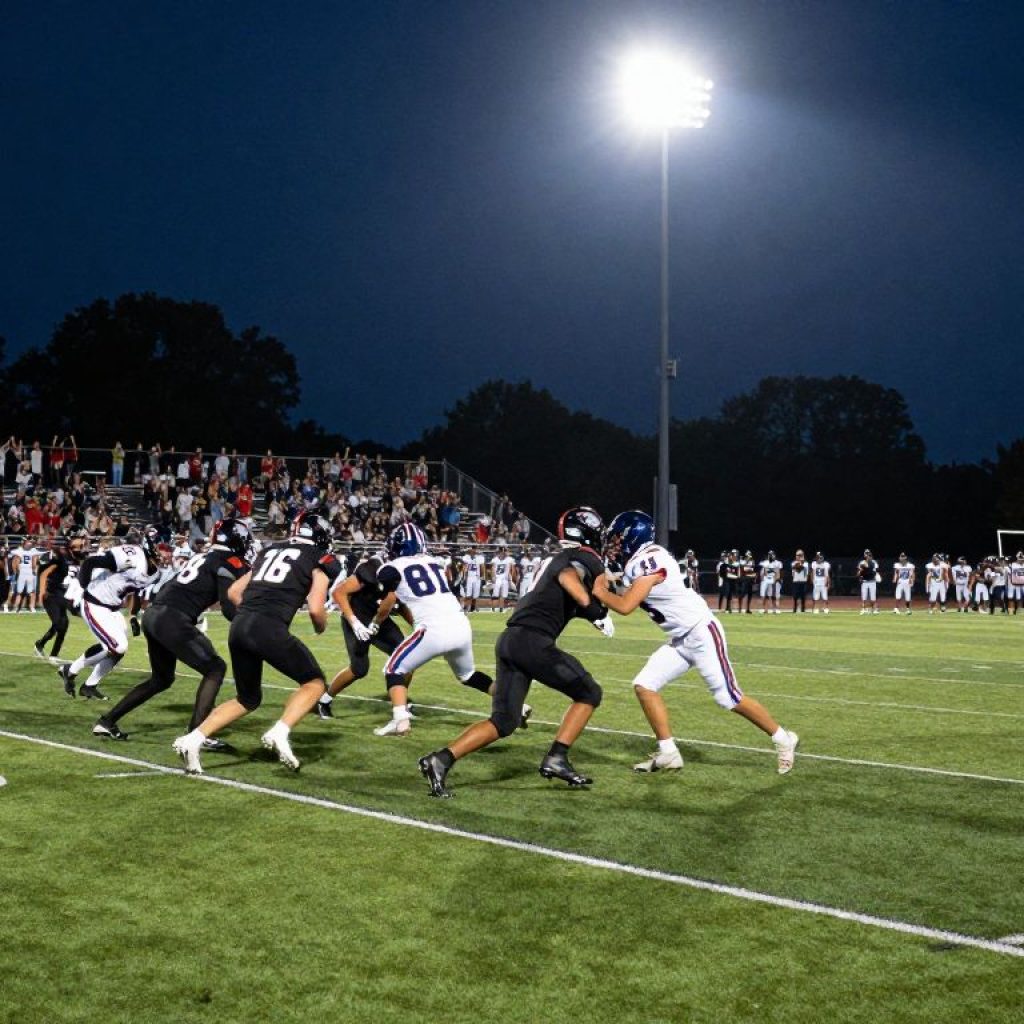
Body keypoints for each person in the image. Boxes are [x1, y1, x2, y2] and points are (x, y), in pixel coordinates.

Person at [419, 507, 611, 798]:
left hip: (510, 640)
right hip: (532, 642)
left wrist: (590, 613)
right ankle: (557, 757)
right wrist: (593, 608)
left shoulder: (557, 557)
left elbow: (557, 595)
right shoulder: (579, 558)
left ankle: (440, 760)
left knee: (504, 722)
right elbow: (567, 576)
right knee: (589, 693)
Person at [595, 511, 799, 775]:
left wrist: (598, 590)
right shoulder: (641, 561)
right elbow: (629, 583)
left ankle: (784, 739)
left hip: (701, 633)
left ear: (634, 536)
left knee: (728, 697)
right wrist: (610, 580)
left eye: (618, 539)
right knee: (645, 685)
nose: (614, 545)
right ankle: (669, 753)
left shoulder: (649, 559)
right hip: (681, 638)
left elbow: (626, 605)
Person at [172, 511, 340, 774]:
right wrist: (320, 626)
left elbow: (234, 592)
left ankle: (193, 739)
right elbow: (317, 608)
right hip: (267, 626)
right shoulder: (321, 559)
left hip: (240, 626)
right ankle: (280, 731)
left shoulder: (269, 551)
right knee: (314, 683)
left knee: (247, 698)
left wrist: (252, 615)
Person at [91, 519, 255, 742]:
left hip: (155, 613)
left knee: (161, 679)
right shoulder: (230, 561)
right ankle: (197, 734)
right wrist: (252, 628)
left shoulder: (202, 556)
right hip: (173, 618)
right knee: (215, 668)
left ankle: (106, 722)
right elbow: (228, 608)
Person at [368, 523, 502, 738]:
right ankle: (515, 705)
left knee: (393, 669)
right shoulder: (435, 563)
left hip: (433, 629)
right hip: (460, 624)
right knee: (468, 674)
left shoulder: (390, 569)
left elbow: (388, 595)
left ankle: (400, 720)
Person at [57, 529, 162, 700]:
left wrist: (133, 614)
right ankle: (71, 670)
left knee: (118, 650)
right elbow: (90, 562)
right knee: (116, 646)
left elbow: (135, 588)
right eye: (156, 547)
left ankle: (90, 685)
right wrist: (80, 588)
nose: (159, 552)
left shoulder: (155, 573)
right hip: (94, 603)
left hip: (113, 609)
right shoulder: (131, 556)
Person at [315, 548, 412, 720]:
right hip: (357, 616)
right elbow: (339, 592)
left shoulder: (405, 572)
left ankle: (400, 704)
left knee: (406, 658)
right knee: (359, 669)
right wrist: (354, 622)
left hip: (379, 618)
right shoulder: (373, 567)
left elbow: (399, 604)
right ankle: (323, 701)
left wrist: (418, 625)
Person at [33, 532, 89, 660]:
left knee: (61, 625)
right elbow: (43, 574)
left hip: (64, 595)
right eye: (78, 541)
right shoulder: (60, 556)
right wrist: (41, 594)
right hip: (51, 595)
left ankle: (46, 649)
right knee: (60, 624)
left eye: (81, 542)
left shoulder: (79, 557)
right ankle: (45, 649)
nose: (81, 544)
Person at [7, 535, 40, 614]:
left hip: (29, 573)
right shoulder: (21, 550)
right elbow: (16, 561)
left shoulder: (32, 550)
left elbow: (35, 562)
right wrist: (16, 571)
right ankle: (16, 607)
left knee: (30, 591)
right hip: (26, 572)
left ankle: (30, 607)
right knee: (20, 591)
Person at [489, 543, 517, 612]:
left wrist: (512, 578)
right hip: (497, 578)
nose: (503, 552)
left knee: (503, 595)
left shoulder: (510, 559)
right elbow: (492, 569)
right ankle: (493, 608)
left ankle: (501, 608)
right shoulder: (495, 559)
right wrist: (493, 577)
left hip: (505, 579)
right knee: (495, 594)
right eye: (502, 550)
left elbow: (513, 569)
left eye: (504, 550)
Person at [460, 544, 485, 613]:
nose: (474, 550)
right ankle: (465, 607)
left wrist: (482, 576)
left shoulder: (480, 557)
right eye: (473, 548)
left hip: (477, 577)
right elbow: (464, 566)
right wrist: (464, 576)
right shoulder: (466, 557)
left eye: (475, 548)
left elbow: (482, 567)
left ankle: (473, 607)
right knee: (468, 594)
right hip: (469, 577)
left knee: (475, 595)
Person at [758, 550, 783, 615]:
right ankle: (764, 608)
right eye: (770, 554)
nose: (771, 556)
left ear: (775, 555)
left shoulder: (778, 563)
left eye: (772, 554)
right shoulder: (765, 562)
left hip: (774, 579)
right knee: (764, 595)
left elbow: (778, 573)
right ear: (768, 555)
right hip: (766, 579)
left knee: (775, 595)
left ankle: (776, 609)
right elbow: (763, 573)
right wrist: (762, 579)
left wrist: (775, 580)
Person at [857, 549, 880, 614]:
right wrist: (860, 575)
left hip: (872, 581)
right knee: (864, 597)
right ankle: (863, 609)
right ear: (864, 555)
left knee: (873, 597)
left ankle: (874, 609)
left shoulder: (874, 562)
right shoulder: (862, 562)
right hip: (865, 582)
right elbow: (859, 573)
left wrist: (877, 576)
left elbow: (876, 571)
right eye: (866, 554)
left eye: (868, 554)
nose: (867, 555)